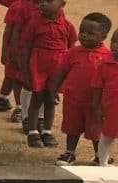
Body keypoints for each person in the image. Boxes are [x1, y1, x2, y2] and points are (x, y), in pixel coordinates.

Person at [47, 13, 112, 166]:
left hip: (96, 103)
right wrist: (53, 90)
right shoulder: (72, 53)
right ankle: (70, 153)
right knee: (72, 128)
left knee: (96, 130)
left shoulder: (107, 56)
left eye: (90, 33)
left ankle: (99, 155)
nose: (84, 35)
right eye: (82, 30)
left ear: (103, 36)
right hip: (73, 100)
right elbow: (61, 72)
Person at [19, 0, 77, 148]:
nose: (43, 4)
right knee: (36, 98)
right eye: (40, 1)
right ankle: (32, 132)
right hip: (38, 66)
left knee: (51, 99)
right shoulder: (33, 23)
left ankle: (47, 131)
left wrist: (70, 71)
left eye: (48, 1)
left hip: (57, 68)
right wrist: (25, 72)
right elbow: (25, 48)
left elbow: (72, 49)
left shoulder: (67, 25)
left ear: (62, 4)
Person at [90, 31, 118, 168]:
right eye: (114, 41)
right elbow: (97, 87)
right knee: (107, 135)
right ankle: (103, 164)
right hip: (111, 108)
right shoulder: (104, 63)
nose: (115, 45)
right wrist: (96, 107)